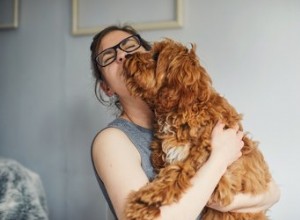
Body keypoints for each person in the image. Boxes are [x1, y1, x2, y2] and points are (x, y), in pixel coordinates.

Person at [90, 25, 280, 220]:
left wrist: (224, 201)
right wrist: (220, 158)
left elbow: (272, 192)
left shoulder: (195, 116)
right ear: (107, 88)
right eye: (108, 57)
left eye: (128, 45)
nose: (122, 55)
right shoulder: (112, 141)